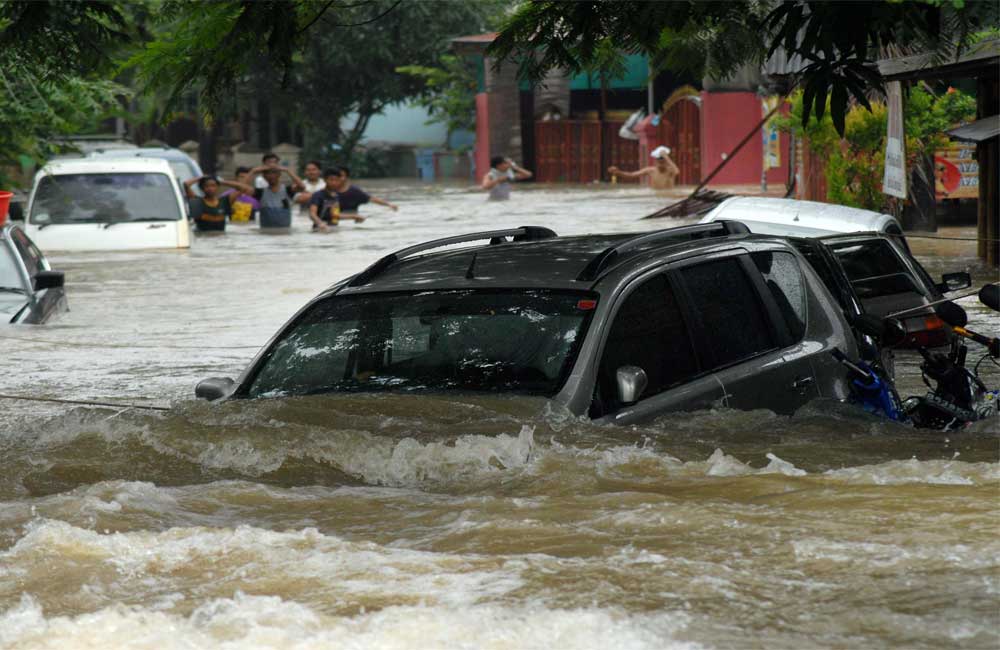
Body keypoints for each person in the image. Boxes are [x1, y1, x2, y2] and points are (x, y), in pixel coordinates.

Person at [183, 175, 254, 232]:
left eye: (213, 185)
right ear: (202, 188)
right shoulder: (197, 201)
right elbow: (186, 185)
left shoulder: (225, 201)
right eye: (207, 186)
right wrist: (201, 177)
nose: (210, 188)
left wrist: (222, 182)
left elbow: (244, 188)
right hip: (203, 237)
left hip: (221, 237)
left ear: (217, 187)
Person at [248, 163, 305, 228]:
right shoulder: (260, 192)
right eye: (268, 173)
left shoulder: (288, 190)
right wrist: (253, 171)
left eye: (274, 172)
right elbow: (240, 188)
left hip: (284, 234)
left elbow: (302, 186)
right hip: (265, 235)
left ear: (279, 174)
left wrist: (287, 170)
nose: (271, 176)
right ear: (264, 176)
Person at [608, 145, 680, 190]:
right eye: (659, 160)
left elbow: (677, 171)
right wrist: (618, 172)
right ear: (655, 160)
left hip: (667, 195)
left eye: (663, 160)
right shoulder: (651, 170)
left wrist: (666, 157)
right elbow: (631, 175)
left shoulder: (670, 170)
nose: (661, 162)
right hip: (655, 195)